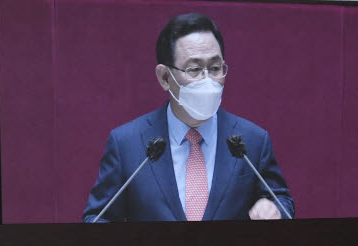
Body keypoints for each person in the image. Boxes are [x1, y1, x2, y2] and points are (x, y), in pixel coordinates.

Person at [83, 13, 293, 223]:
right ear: (165, 77)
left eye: (215, 68)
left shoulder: (251, 140)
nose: (207, 80)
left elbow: (281, 200)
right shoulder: (126, 144)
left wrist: (274, 209)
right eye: (194, 69)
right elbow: (97, 218)